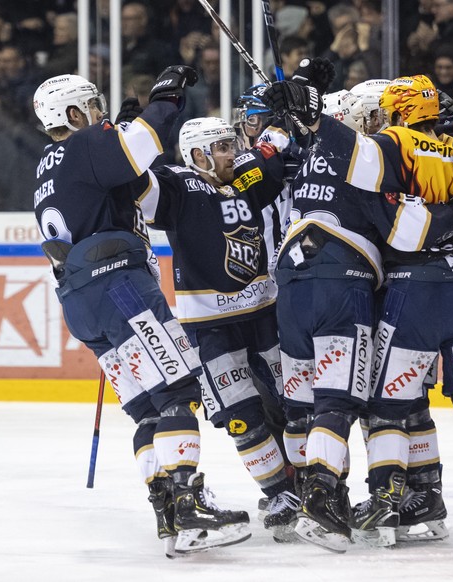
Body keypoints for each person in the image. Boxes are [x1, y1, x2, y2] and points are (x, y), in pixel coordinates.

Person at [262, 72, 453, 548]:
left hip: (410, 293)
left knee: (388, 405)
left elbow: (400, 227)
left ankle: (386, 499)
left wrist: (312, 113)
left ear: (396, 113)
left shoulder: (391, 144)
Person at [31, 68, 250, 556]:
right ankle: (190, 504)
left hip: (80, 301)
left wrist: (122, 138)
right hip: (118, 286)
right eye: (91, 106)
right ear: (70, 114)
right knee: (176, 391)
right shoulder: (83, 146)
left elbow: (121, 176)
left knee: (148, 409)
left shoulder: (48, 164)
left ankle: (167, 507)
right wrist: (165, 98)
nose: (100, 114)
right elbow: (144, 140)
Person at [133, 115, 299, 540]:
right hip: (208, 326)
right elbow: (137, 184)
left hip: (265, 313)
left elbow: (274, 152)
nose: (233, 152)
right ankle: (280, 493)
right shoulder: (177, 183)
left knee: (297, 404)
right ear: (198, 155)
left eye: (232, 144)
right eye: (223, 147)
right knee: (242, 418)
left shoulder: (244, 178)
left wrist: (284, 123)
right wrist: (123, 141)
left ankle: (313, 486)